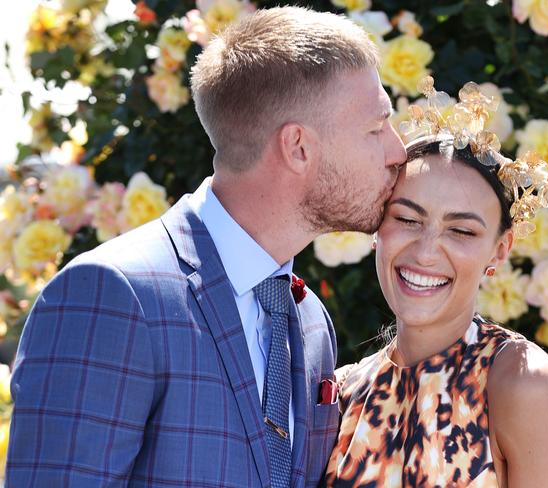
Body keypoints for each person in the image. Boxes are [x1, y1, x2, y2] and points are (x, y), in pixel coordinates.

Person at [6, 7, 406, 487]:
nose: (398, 151)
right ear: (298, 146)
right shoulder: (112, 296)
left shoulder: (309, 320)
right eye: (376, 127)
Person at [324, 81, 548, 487]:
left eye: (461, 231)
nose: (426, 252)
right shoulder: (342, 393)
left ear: (499, 250)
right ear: (378, 226)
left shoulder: (521, 381)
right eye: (407, 220)